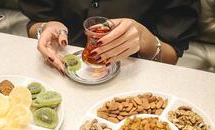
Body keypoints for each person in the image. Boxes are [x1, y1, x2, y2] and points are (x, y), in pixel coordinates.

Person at [19, 0, 200, 75]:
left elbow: (171, 56)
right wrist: (46, 28)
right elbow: (36, 23)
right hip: (58, 71)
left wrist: (144, 39)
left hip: (133, 77)